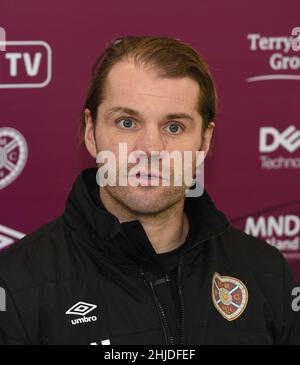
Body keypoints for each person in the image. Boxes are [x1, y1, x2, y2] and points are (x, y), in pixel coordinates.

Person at [0, 36, 299, 345]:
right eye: (127, 123)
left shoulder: (266, 273)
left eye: (174, 127)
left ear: (205, 141)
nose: (151, 148)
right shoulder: (14, 284)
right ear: (91, 133)